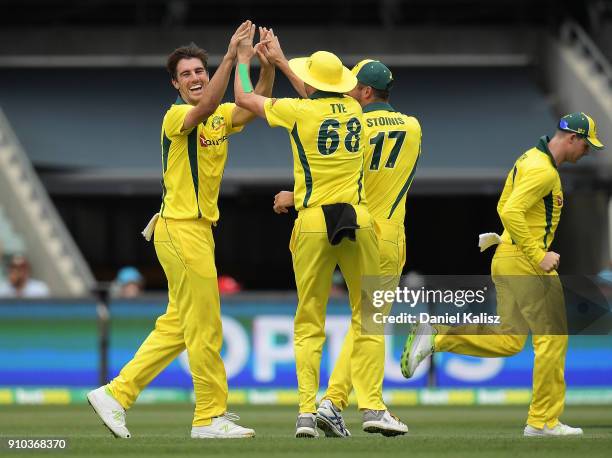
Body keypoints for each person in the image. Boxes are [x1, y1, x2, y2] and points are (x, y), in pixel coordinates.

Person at [87, 21, 275, 439]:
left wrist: (264, 63)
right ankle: (209, 416)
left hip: (197, 231)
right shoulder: (176, 117)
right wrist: (230, 57)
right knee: (205, 327)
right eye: (186, 74)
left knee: (178, 325)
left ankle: (115, 395)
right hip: (179, 228)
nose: (195, 78)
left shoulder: (219, 115)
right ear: (175, 83)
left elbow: (254, 102)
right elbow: (207, 106)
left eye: (199, 72)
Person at [234, 32, 407, 437]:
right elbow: (318, 91)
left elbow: (244, 98)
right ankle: (373, 407)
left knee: (309, 320)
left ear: (311, 83)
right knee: (368, 316)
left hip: (312, 222)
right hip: (357, 220)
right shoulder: (354, 110)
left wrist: (249, 61)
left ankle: (306, 414)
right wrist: (280, 62)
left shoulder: (299, 111)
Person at [401, 112, 605, 437]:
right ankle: (542, 422)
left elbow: (504, 206)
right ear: (572, 138)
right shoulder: (542, 171)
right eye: (586, 145)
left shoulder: (530, 158)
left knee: (510, 341)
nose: (587, 153)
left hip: (506, 256)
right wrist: (538, 254)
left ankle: (437, 336)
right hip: (526, 261)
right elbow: (509, 210)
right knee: (552, 341)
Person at [272, 57, 421, 437]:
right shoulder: (412, 126)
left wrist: (298, 193)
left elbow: (315, 109)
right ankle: (342, 403)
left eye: (352, 85)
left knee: (350, 321)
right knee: (368, 322)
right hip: (388, 233)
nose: (345, 90)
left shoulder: (352, 119)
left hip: (351, 220)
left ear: (365, 92)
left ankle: (332, 402)